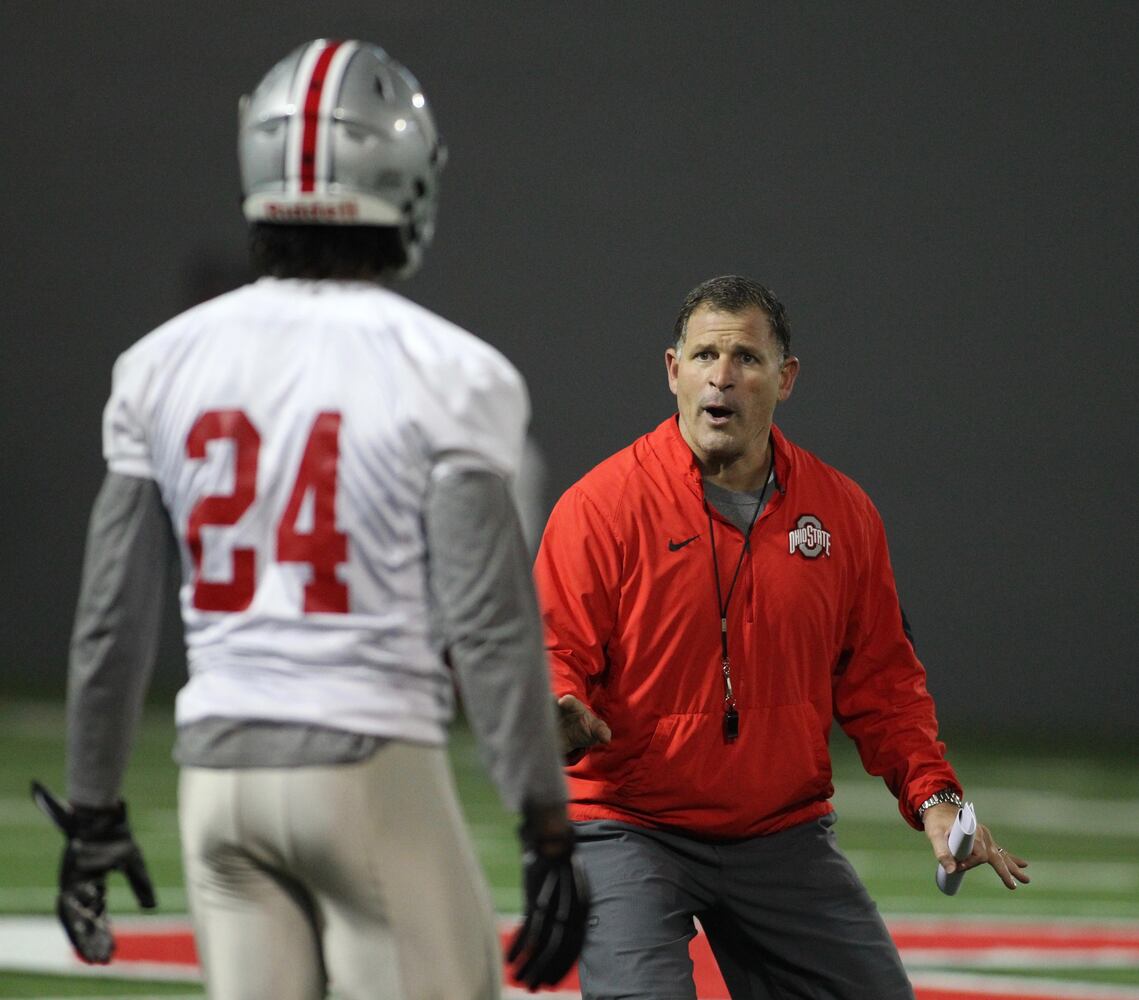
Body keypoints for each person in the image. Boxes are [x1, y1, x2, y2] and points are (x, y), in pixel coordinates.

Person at [32, 38, 587, 1000]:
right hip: (369, 770)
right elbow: (487, 626)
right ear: (404, 174)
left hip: (216, 783)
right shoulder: (451, 373)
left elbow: (109, 626)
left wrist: (92, 811)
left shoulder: (159, 363)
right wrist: (544, 819)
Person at [534, 274, 1030, 1000]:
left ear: (784, 378)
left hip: (779, 831)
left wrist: (934, 801)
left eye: (746, 358)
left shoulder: (841, 515)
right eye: (704, 356)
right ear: (673, 371)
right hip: (628, 825)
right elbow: (553, 654)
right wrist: (552, 712)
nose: (722, 377)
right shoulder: (599, 509)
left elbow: (883, 684)